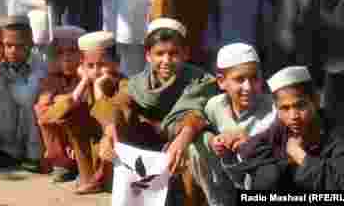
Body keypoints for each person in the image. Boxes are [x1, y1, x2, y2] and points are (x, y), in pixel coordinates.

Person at [105, 18, 219, 205]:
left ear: (185, 54)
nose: (166, 60)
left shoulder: (201, 81)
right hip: (150, 150)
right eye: (160, 53)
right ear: (148, 55)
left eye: (173, 53)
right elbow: (119, 104)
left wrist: (181, 140)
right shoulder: (136, 83)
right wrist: (110, 129)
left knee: (195, 144)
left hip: (180, 146)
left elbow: (194, 114)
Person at [229, 65, 344, 192]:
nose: (293, 116)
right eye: (285, 108)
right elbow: (249, 151)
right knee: (267, 174)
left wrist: (300, 156)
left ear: (316, 101)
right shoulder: (280, 128)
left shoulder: (338, 133)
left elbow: (343, 183)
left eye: (300, 106)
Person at [189, 43, 276, 206]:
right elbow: (196, 124)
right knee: (195, 148)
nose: (248, 87)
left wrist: (249, 144)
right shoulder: (215, 105)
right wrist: (213, 142)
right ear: (221, 82)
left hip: (258, 185)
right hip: (225, 185)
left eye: (254, 78)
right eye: (239, 79)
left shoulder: (273, 110)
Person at [45, 30, 129, 194]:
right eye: (90, 66)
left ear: (117, 63)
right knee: (71, 113)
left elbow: (110, 124)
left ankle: (101, 180)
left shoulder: (125, 85)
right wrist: (83, 83)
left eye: (102, 65)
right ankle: (87, 177)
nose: (96, 71)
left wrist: (99, 91)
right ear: (82, 66)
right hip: (93, 153)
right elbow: (52, 116)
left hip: (115, 153)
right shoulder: (84, 84)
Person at [0, 14, 44, 169]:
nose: (13, 51)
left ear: (30, 43)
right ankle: (9, 151)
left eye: (20, 46)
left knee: (32, 105)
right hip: (10, 127)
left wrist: (10, 81)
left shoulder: (38, 62)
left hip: (31, 128)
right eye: (8, 45)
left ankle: (33, 156)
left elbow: (27, 98)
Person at [34, 24, 86, 181]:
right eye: (60, 53)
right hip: (64, 141)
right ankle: (62, 164)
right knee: (47, 115)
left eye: (72, 51)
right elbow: (43, 114)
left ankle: (85, 165)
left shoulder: (91, 75)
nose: (66, 58)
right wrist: (64, 103)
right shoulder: (51, 79)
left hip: (85, 138)